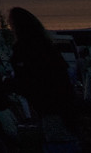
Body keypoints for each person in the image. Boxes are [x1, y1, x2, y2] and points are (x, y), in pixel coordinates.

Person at [6, 8, 78, 146]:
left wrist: (9, 83)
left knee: (59, 141)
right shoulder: (46, 46)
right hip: (61, 105)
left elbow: (30, 81)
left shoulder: (27, 49)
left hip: (51, 106)